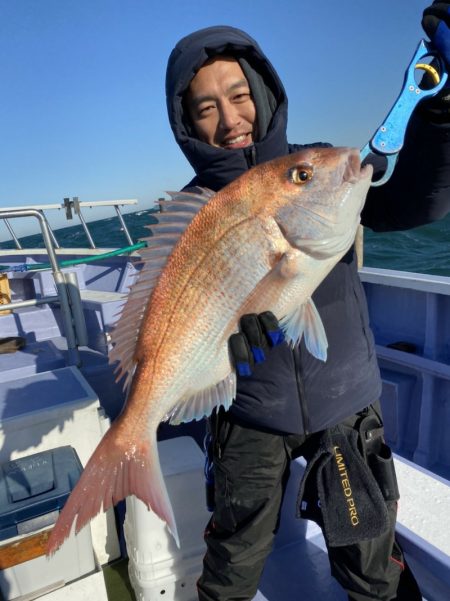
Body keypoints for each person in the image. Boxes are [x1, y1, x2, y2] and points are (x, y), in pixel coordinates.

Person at [164, 4, 450, 600]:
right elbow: (175, 321)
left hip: (344, 403)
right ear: (187, 122)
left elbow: (414, 204)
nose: (230, 119)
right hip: (249, 415)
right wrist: (217, 352)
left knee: (372, 567)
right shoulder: (189, 218)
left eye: (239, 95)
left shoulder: (314, 167)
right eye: (205, 107)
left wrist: (441, 116)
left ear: (264, 92)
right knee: (231, 569)